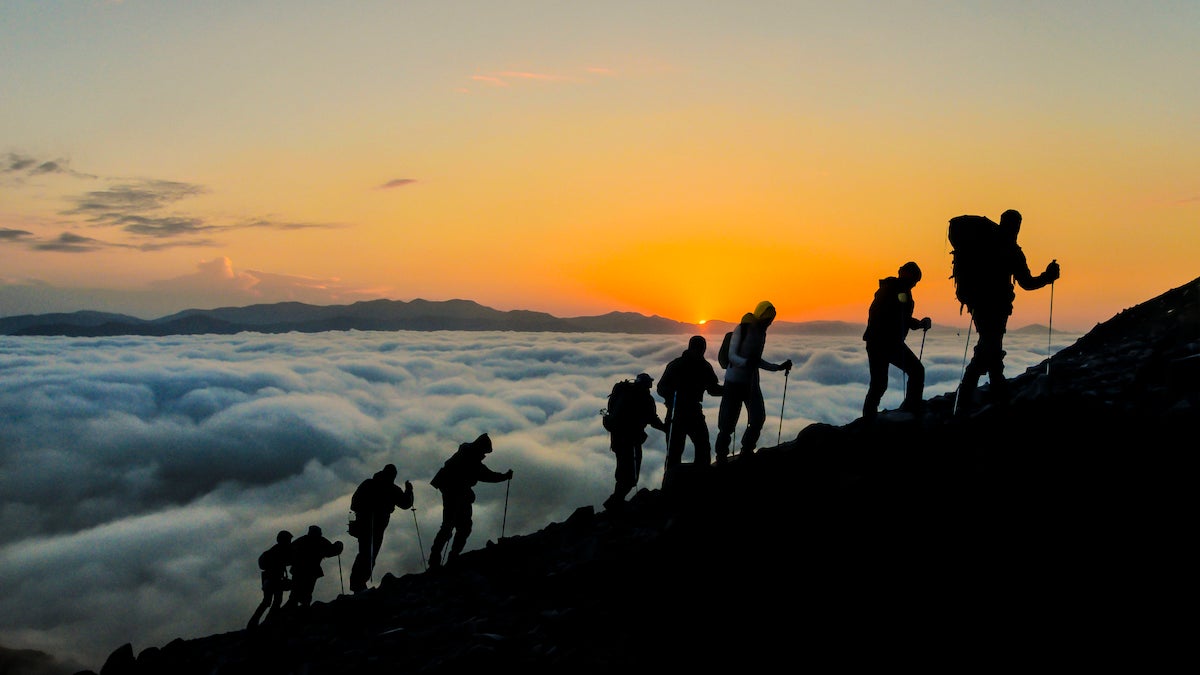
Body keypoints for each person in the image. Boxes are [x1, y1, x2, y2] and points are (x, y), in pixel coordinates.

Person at [957, 209, 1060, 416]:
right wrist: (1048, 277)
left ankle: (988, 397)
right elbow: (1027, 283)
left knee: (990, 349)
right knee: (989, 349)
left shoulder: (985, 244)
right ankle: (980, 399)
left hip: (981, 307)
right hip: (996, 308)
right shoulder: (1011, 250)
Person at [714, 301, 793, 463]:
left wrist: (778, 367)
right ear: (761, 317)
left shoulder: (760, 334)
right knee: (730, 423)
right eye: (768, 319)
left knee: (752, 419)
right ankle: (728, 454)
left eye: (770, 320)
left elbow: (755, 361)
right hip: (737, 383)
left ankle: (741, 451)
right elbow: (734, 357)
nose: (769, 323)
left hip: (747, 382)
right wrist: (747, 363)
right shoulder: (742, 331)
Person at [428, 433, 513, 569]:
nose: (485, 454)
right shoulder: (470, 458)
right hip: (457, 494)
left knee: (450, 526)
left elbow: (482, 472)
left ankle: (436, 560)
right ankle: (451, 557)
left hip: (452, 492)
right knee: (461, 526)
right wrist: (504, 477)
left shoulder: (465, 454)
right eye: (485, 451)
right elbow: (485, 474)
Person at [862, 262, 932, 420]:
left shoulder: (892, 289)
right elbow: (899, 317)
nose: (914, 284)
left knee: (879, 383)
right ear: (908, 275)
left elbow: (900, 317)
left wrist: (917, 323)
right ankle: (912, 407)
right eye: (915, 280)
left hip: (878, 342)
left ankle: (869, 418)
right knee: (916, 371)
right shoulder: (896, 290)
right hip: (886, 342)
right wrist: (919, 324)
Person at [603, 372, 668, 510]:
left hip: (618, 439)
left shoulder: (625, 393)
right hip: (630, 441)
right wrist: (665, 428)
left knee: (623, 472)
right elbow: (652, 419)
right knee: (631, 475)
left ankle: (616, 501)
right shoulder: (644, 398)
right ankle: (615, 502)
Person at [657, 336, 724, 467]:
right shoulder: (702, 366)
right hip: (684, 413)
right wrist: (728, 390)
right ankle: (695, 479)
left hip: (680, 412)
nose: (701, 351)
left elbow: (661, 388)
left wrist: (728, 390)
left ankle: (674, 482)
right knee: (698, 448)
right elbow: (713, 389)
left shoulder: (677, 364)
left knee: (678, 452)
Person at [348, 463, 415, 594]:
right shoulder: (391, 488)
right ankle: (359, 584)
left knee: (366, 553)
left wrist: (366, 508)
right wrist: (409, 491)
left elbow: (354, 503)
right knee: (369, 553)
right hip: (375, 525)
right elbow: (405, 504)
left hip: (366, 524)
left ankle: (358, 584)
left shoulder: (368, 484)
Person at [282, 525, 343, 610]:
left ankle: (292, 609)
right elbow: (331, 551)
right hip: (311, 571)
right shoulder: (321, 541)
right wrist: (338, 546)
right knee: (306, 592)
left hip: (299, 570)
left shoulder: (302, 540)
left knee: (296, 592)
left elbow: (289, 553)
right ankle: (302, 608)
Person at [246, 530, 293, 629]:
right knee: (276, 601)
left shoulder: (274, 550)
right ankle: (269, 621)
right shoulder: (280, 550)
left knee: (267, 601)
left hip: (268, 579)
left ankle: (254, 622)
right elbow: (286, 561)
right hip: (275, 579)